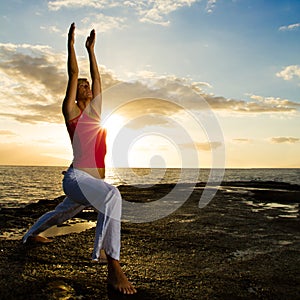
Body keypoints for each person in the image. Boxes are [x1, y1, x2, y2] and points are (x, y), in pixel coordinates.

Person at [22, 23, 137, 295]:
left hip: (90, 184)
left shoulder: (97, 114)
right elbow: (73, 72)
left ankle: (29, 236)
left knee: (60, 214)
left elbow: (98, 79)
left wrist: (92, 51)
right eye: (81, 85)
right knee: (112, 196)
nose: (85, 85)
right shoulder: (71, 112)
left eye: (86, 85)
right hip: (76, 178)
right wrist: (71, 45)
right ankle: (112, 264)